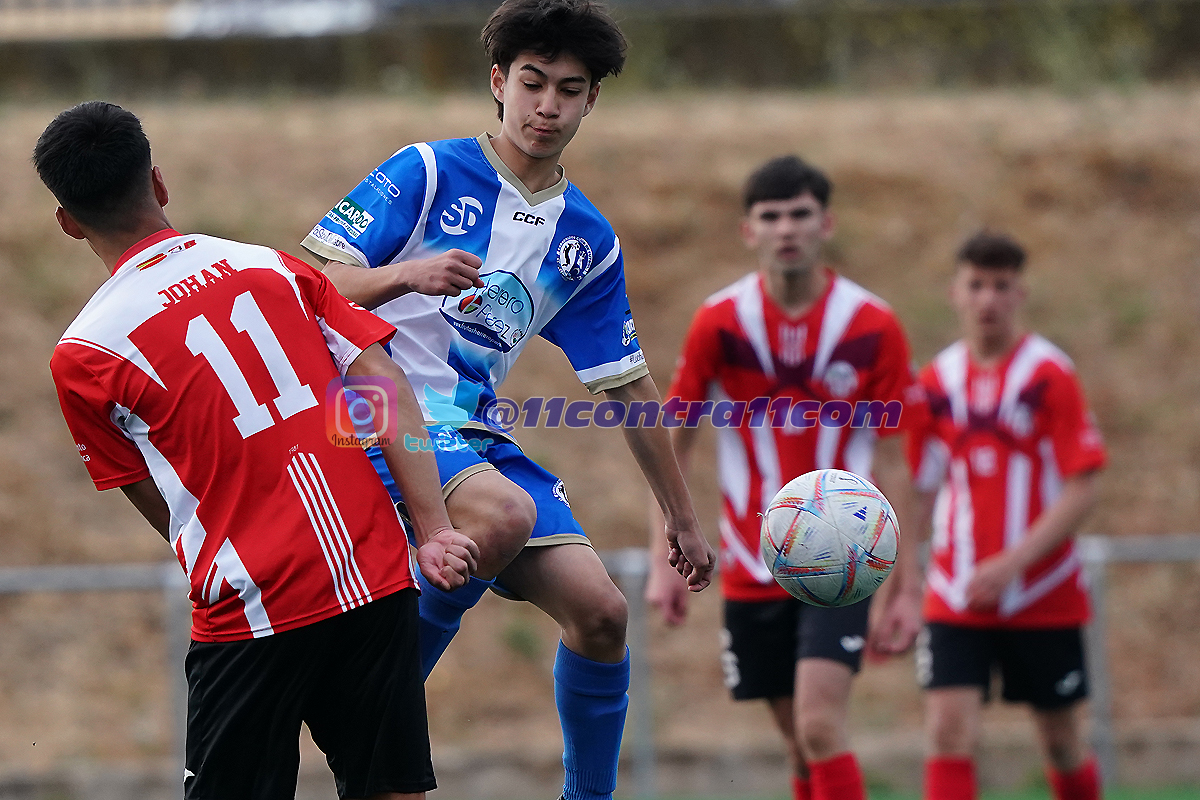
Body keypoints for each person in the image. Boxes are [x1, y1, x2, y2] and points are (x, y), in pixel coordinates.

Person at [300, 2, 716, 799]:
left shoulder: (585, 239)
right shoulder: (426, 171)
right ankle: (369, 715)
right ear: (499, 82)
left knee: (601, 613)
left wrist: (683, 518)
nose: (547, 106)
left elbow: (627, 384)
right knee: (501, 515)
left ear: (592, 99)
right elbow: (310, 283)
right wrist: (404, 274)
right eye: (533, 83)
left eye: (569, 89)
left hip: (467, 433)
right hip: (367, 410)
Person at [38, 101, 479, 800]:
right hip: (370, 570)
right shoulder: (271, 267)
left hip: (251, 603)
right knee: (394, 790)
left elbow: (146, 489)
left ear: (67, 221)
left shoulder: (84, 355)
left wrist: (208, 545)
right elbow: (381, 380)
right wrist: (433, 529)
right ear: (159, 182)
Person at [645, 155, 924, 800]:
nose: (786, 229)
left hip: (848, 557)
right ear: (749, 231)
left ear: (826, 224)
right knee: (799, 744)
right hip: (752, 559)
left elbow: (896, 460)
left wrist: (906, 582)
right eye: (770, 217)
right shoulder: (719, 321)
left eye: (800, 214)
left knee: (820, 726)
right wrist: (663, 558)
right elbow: (672, 448)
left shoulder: (871, 324)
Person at [907, 231, 1106, 800]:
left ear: (1020, 293)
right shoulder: (936, 381)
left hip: (1042, 589)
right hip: (956, 587)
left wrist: (1012, 563)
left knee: (1060, 741)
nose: (987, 299)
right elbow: (919, 488)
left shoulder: (1050, 374)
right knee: (947, 731)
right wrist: (904, 581)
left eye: (1001, 286)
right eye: (976, 285)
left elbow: (1083, 486)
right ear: (955, 293)